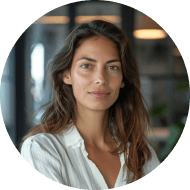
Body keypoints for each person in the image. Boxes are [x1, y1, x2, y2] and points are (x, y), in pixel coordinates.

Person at [19, 19, 160, 189]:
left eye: (112, 67)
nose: (100, 79)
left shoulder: (142, 156)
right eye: (87, 66)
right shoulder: (43, 149)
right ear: (67, 75)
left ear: (123, 79)